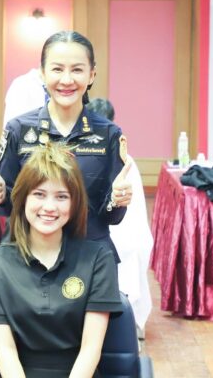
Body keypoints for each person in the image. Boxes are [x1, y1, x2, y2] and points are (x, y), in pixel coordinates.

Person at [0, 31, 133, 261]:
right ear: (42, 74)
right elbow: (9, 209)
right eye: (57, 69)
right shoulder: (18, 130)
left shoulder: (108, 134)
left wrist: (118, 200)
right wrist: (1, 196)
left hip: (90, 258)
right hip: (31, 256)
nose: (67, 80)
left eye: (77, 70)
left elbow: (112, 217)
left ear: (91, 75)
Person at [0, 144, 122, 376]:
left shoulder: (98, 259)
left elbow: (90, 349)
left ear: (74, 204)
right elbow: (5, 351)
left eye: (61, 197)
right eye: (39, 194)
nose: (50, 207)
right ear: (22, 199)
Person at [85, 98, 152, 334]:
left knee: (125, 249)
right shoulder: (84, 154)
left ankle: (125, 322)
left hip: (119, 230)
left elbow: (133, 210)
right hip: (103, 230)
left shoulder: (122, 159)